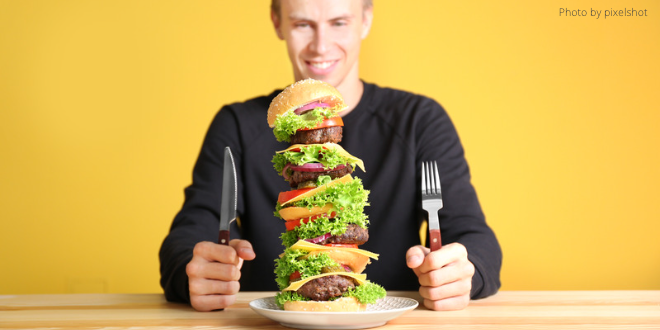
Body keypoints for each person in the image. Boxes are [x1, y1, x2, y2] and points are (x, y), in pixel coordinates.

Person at [159, 0, 502, 312]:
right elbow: (191, 229)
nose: (320, 46)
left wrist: (464, 272)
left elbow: (475, 236)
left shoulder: (419, 121)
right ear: (277, 22)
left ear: (366, 21)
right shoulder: (237, 125)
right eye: (302, 24)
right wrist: (191, 269)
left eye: (339, 22)